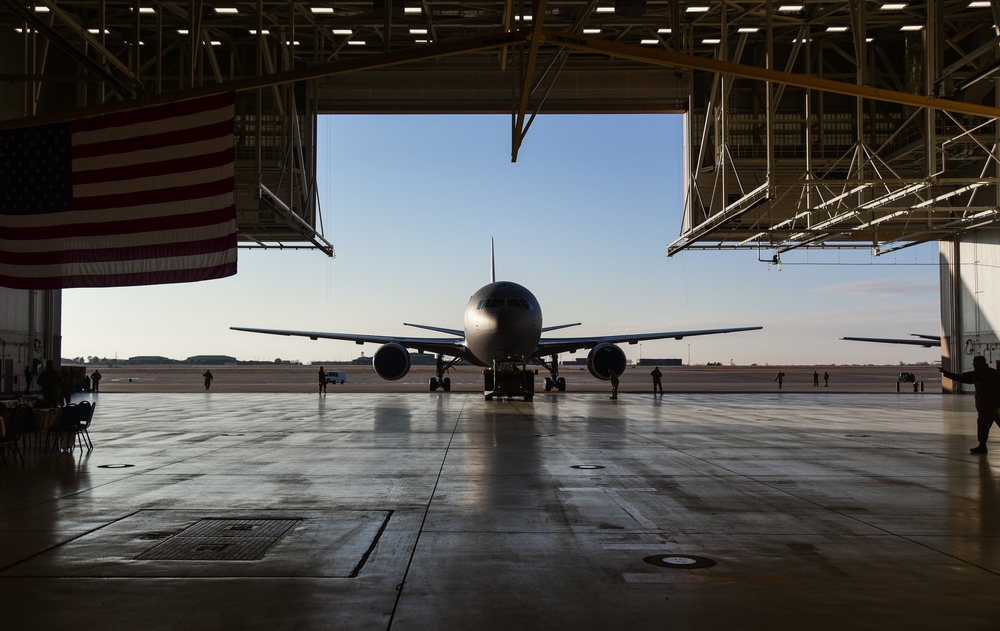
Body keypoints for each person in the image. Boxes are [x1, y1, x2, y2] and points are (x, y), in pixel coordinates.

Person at [940, 356, 1000, 454]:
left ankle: (982, 446)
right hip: (988, 406)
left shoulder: (982, 374)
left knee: (982, 426)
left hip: (992, 406)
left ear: (979, 363)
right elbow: (963, 377)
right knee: (982, 426)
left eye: (974, 363)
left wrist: (946, 373)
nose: (973, 364)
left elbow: (962, 378)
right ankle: (982, 446)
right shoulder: (993, 373)